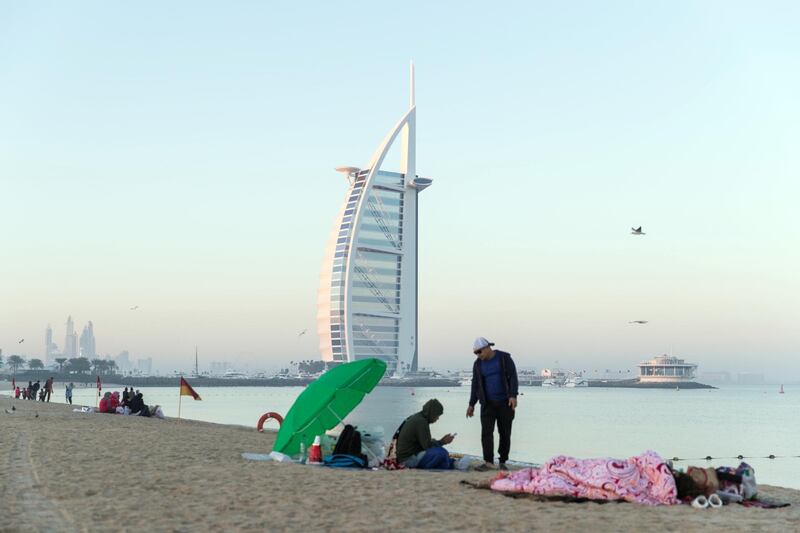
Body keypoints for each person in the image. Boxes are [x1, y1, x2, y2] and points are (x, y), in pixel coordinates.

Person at [467, 337, 519, 472]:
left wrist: (513, 395)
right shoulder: (478, 364)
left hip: (505, 403)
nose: (478, 355)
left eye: (479, 352)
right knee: (486, 433)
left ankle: (502, 461)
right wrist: (471, 404)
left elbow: (513, 376)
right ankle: (488, 461)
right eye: (475, 353)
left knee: (505, 432)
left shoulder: (504, 358)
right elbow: (475, 384)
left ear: (487, 348)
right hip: (487, 404)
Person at [395, 399, 455, 469]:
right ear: (432, 413)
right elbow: (427, 446)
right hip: (407, 460)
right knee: (442, 453)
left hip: (405, 457)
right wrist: (442, 441)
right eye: (437, 415)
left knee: (441, 453)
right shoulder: (421, 422)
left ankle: (452, 463)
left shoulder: (418, 417)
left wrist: (439, 442)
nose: (438, 418)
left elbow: (424, 443)